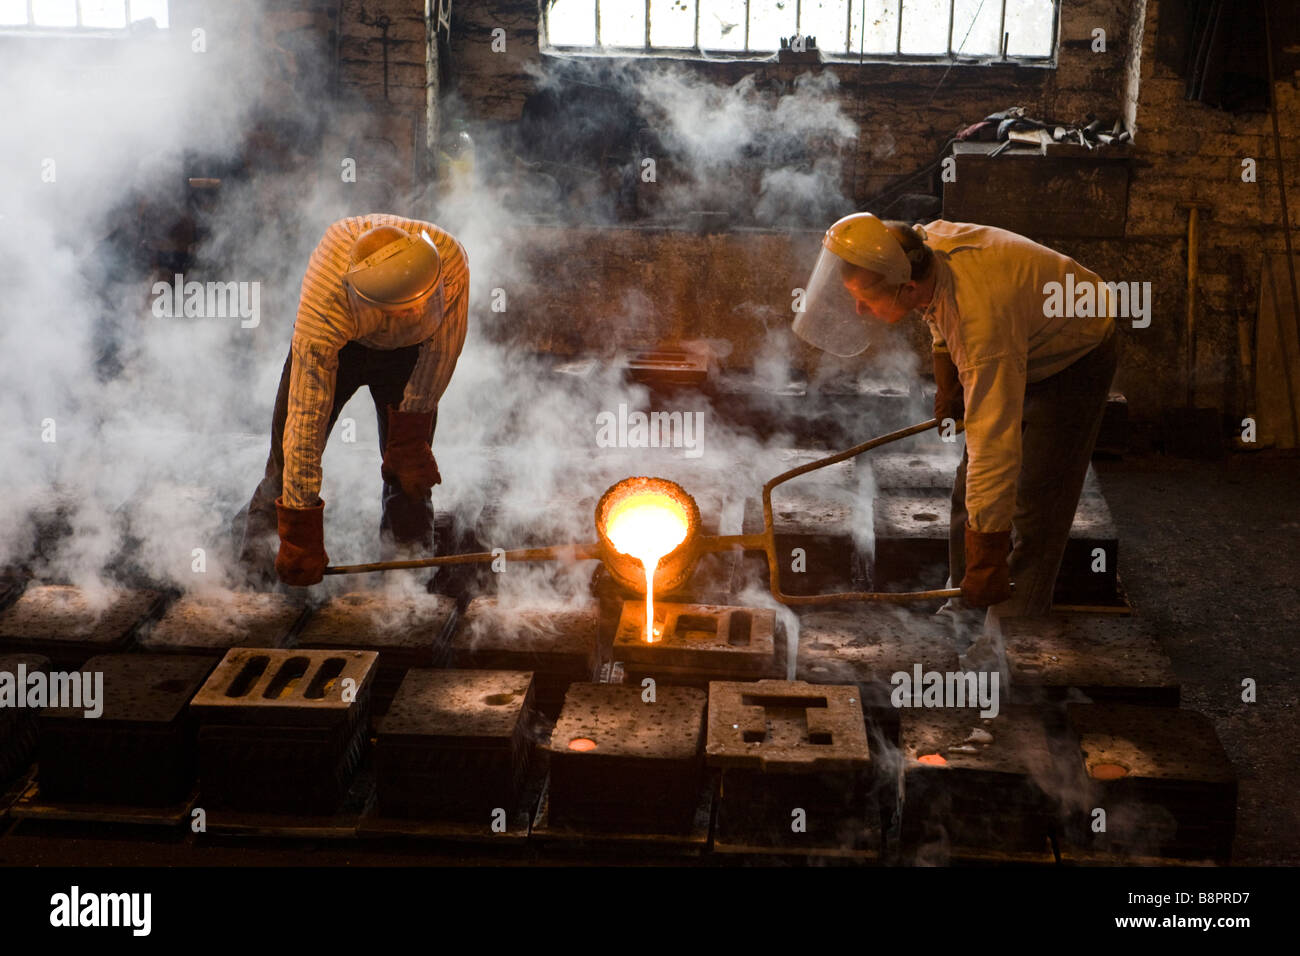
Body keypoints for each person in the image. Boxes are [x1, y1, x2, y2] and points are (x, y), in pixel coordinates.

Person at [795, 212, 1118, 621]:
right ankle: (962, 608)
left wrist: (988, 560)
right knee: (969, 491)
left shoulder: (982, 327)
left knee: (1036, 502)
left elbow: (993, 449)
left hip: (1075, 352)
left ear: (906, 288)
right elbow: (937, 310)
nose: (858, 309)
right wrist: (948, 377)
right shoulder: (920, 249)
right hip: (1020, 333)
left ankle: (1011, 634)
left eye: (866, 299)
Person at [235, 214, 469, 587]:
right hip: (341, 349)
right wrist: (300, 531)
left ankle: (406, 582)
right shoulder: (326, 302)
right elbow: (305, 422)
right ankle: (253, 578)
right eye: (401, 311)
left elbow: (441, 354)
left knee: (408, 472)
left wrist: (410, 432)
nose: (413, 315)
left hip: (409, 355)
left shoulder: (448, 260)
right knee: (284, 465)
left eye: (419, 307)